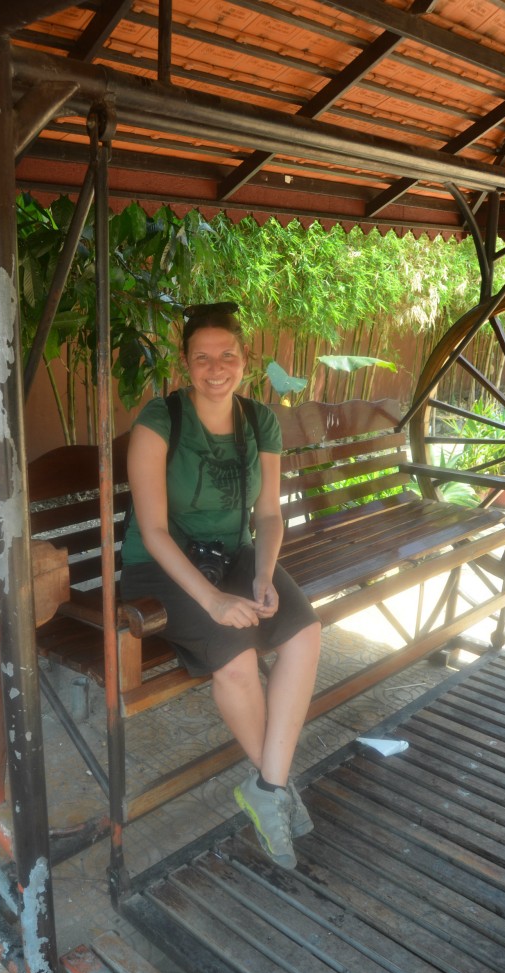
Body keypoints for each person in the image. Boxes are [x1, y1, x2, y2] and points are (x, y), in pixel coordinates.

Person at [120, 302, 321, 869]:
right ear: (186, 364)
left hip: (234, 557)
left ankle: (268, 786)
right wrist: (211, 600)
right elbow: (154, 531)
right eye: (202, 357)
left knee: (304, 635)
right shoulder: (160, 421)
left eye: (227, 355)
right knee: (234, 660)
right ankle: (275, 787)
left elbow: (271, 515)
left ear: (245, 360)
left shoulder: (261, 420)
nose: (216, 367)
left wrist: (261, 574)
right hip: (161, 568)